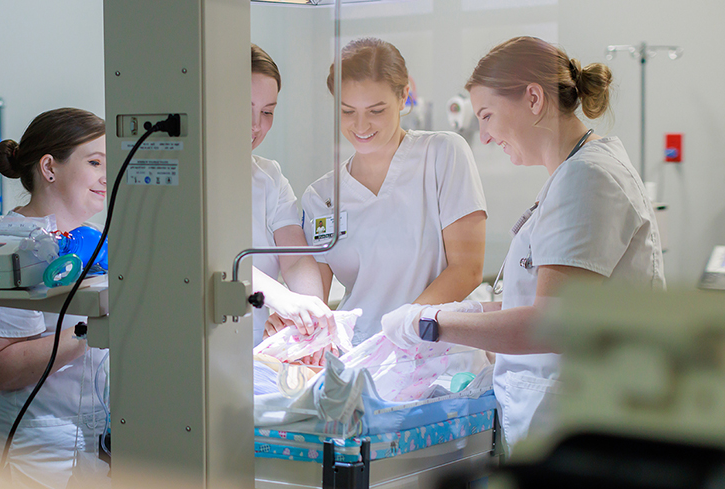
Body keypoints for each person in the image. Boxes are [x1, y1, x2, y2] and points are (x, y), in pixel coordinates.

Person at [380, 36, 666, 454]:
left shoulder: (588, 179)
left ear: (533, 98)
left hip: (586, 424)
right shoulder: (574, 175)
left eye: (488, 115)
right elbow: (543, 302)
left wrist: (430, 323)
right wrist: (469, 311)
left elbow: (549, 323)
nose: (487, 135)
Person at [299, 37, 488, 346]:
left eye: (376, 110)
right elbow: (313, 303)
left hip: (432, 346)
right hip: (355, 351)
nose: (361, 125)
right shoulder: (321, 196)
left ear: (404, 98)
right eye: (347, 111)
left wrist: (398, 333)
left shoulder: (442, 154)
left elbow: (467, 269)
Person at [0, 108, 110, 488]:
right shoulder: (3, 249)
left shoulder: (95, 239)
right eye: (95, 162)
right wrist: (93, 329)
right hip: (31, 443)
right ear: (49, 168)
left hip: (93, 439)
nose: (107, 176)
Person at [249, 43, 335, 346]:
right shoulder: (179, 180)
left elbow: (296, 261)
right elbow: (215, 263)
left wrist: (305, 310)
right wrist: (282, 299)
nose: (256, 125)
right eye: (244, 109)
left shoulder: (268, 177)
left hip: (259, 352)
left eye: (267, 112)